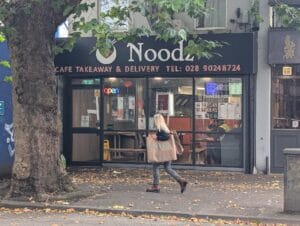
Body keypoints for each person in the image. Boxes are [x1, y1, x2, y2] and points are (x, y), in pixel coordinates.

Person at [146, 113, 188, 193]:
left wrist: (157, 137)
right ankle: (181, 180)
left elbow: (165, 137)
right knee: (168, 168)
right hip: (167, 151)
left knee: (155, 167)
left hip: (162, 152)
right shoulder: (165, 128)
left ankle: (156, 186)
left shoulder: (160, 129)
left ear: (156, 121)